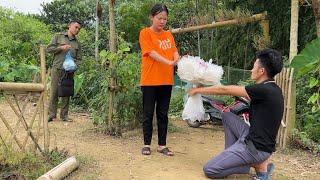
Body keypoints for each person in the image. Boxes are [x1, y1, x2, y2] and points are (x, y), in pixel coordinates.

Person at [188, 49, 284, 180]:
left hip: (255, 147)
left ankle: (247, 165)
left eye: (254, 67)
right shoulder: (273, 89)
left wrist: (197, 90)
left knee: (210, 169)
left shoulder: (263, 90)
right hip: (254, 138)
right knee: (227, 115)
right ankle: (240, 159)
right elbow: (231, 91)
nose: (251, 70)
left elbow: (225, 90)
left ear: (262, 71)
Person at [139, 3, 180, 156]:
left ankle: (162, 145)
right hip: (150, 81)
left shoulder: (168, 34)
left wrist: (176, 58)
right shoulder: (145, 33)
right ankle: (146, 144)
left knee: (163, 114)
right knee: (148, 113)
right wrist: (169, 62)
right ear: (152, 17)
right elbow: (150, 52)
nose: (162, 21)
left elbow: (174, 51)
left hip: (166, 81)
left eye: (165, 19)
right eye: (159, 18)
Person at [47, 21, 82, 122]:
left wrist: (75, 67)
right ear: (69, 26)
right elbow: (49, 49)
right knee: (54, 92)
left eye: (79, 29)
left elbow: (79, 59)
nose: (77, 30)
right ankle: (51, 114)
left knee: (66, 92)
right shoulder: (58, 36)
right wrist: (61, 48)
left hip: (69, 72)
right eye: (76, 27)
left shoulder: (77, 43)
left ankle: (64, 115)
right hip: (57, 68)